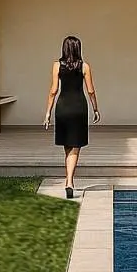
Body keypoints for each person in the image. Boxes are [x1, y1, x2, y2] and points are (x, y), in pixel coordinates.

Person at [43, 35, 100, 199]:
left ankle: (68, 180)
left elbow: (53, 91)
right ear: (78, 48)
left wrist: (48, 112)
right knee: (75, 146)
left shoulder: (57, 65)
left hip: (63, 108)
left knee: (67, 146)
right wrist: (95, 109)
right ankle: (69, 181)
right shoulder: (84, 67)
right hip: (79, 108)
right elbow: (91, 91)